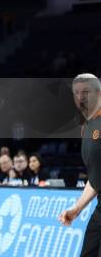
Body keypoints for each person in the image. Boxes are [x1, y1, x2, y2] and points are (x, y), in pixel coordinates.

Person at [59, 74, 101, 257]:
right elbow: (96, 176)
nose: (80, 97)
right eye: (76, 93)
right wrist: (77, 208)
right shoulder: (86, 127)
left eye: (86, 91)